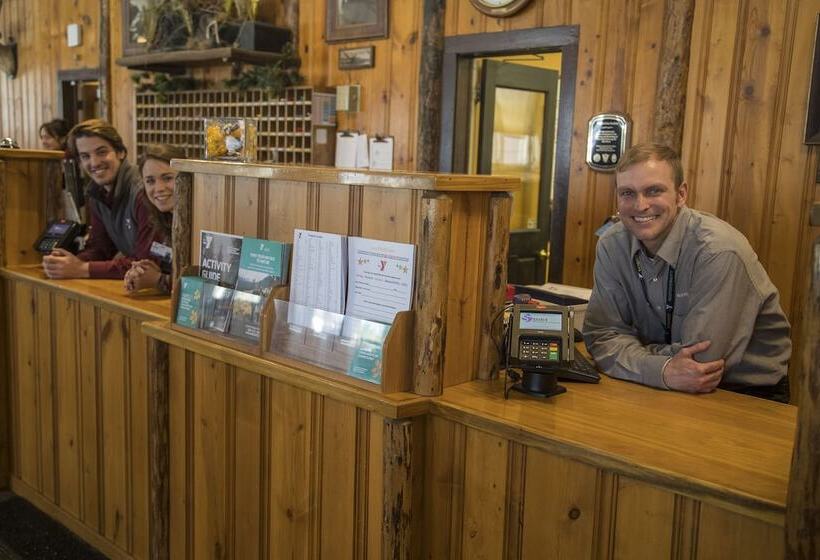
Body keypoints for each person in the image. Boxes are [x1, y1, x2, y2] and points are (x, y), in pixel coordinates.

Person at [583, 143, 791, 403]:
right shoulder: (611, 244)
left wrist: (628, 350)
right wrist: (662, 369)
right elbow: (601, 336)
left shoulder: (718, 251)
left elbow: (702, 363)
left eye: (653, 191)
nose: (640, 205)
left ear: (681, 194)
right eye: (628, 193)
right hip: (657, 383)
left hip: (744, 393)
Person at [42, 119, 155, 280]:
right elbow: (100, 249)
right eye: (85, 156)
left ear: (120, 152)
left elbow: (146, 265)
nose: (94, 162)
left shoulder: (142, 191)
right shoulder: (97, 193)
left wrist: (81, 268)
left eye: (101, 152)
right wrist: (66, 263)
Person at [124, 144, 186, 294]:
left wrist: (159, 280)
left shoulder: (203, 219)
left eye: (167, 178)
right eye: (150, 181)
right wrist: (140, 272)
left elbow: (206, 283)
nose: (158, 188)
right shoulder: (159, 218)